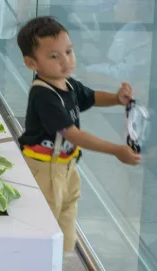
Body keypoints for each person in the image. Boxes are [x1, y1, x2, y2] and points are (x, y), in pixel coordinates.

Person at [16, 16, 140, 254]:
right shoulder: (44, 95)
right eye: (54, 56)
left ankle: (58, 259)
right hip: (44, 169)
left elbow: (91, 97)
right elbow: (72, 134)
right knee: (43, 231)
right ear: (32, 63)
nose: (66, 61)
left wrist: (116, 98)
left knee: (65, 228)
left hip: (66, 166)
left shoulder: (68, 84)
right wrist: (116, 150)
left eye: (69, 52)